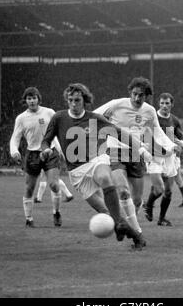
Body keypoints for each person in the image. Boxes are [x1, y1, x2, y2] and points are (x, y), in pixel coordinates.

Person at [40, 83, 152, 250]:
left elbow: (119, 132)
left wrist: (141, 149)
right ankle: (133, 234)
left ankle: (131, 231)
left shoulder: (94, 118)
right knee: (109, 214)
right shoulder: (59, 118)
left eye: (77, 100)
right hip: (77, 173)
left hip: (96, 161)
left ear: (84, 100)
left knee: (105, 177)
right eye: (70, 100)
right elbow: (45, 141)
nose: (73, 104)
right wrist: (45, 150)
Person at [93, 77, 178, 234]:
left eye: (141, 95)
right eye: (134, 94)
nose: (137, 98)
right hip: (115, 151)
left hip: (136, 153)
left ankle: (129, 221)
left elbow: (158, 132)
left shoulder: (149, 110)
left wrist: (171, 145)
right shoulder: (116, 104)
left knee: (137, 200)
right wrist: (104, 123)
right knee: (123, 191)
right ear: (130, 93)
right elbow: (93, 115)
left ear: (146, 96)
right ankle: (135, 231)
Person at [9, 87, 63, 228]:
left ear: (38, 99)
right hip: (32, 154)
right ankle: (29, 219)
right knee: (29, 189)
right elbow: (15, 138)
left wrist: (60, 148)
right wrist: (14, 151)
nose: (32, 101)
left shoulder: (49, 112)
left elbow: (58, 132)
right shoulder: (21, 118)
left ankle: (56, 212)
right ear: (25, 100)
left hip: (50, 151)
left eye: (34, 98)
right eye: (29, 98)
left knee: (54, 184)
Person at [143, 93, 183, 226]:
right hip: (154, 156)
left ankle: (161, 219)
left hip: (170, 157)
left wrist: (180, 144)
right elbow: (143, 133)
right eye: (162, 103)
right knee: (159, 189)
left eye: (167, 103)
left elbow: (182, 139)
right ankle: (148, 205)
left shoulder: (175, 120)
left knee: (168, 191)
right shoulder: (152, 117)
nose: (164, 106)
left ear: (172, 104)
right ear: (158, 104)